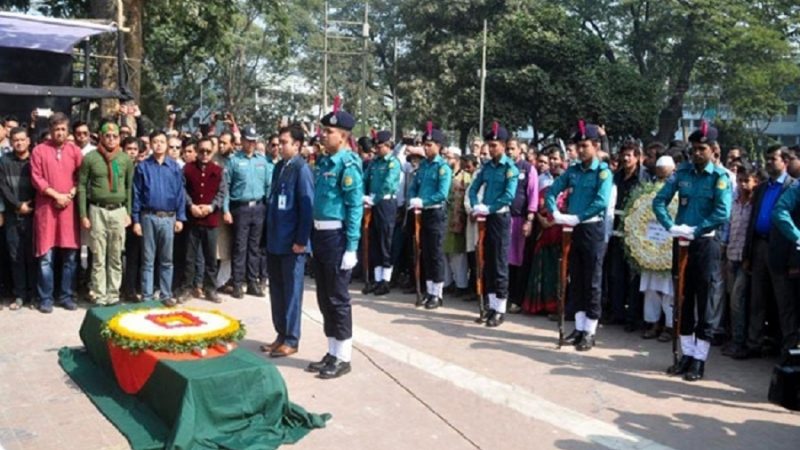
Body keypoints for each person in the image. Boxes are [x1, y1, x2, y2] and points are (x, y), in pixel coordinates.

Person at [653, 123, 732, 381]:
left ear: (713, 150)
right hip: (682, 242)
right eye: (694, 149)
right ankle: (685, 354)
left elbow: (722, 212)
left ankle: (699, 359)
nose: (696, 153)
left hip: (705, 243)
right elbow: (659, 200)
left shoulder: (719, 177)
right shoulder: (682, 172)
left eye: (702, 149)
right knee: (683, 299)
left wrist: (696, 230)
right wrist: (671, 226)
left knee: (705, 300)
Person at [305, 102, 363, 379]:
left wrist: (351, 246)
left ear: (342, 135)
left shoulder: (348, 163)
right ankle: (331, 350)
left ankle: (344, 356)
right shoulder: (324, 160)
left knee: (338, 298)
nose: (322, 135)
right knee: (324, 296)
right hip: (320, 234)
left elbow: (354, 207)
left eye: (328, 131)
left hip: (337, 235)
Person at [546, 122, 613, 351]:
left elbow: (601, 202)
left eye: (585, 145)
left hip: (591, 229)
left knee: (592, 280)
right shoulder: (573, 171)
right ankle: (579, 326)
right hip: (573, 228)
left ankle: (590, 331)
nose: (581, 150)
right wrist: (554, 211)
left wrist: (579, 217)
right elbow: (553, 190)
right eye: (578, 145)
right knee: (576, 279)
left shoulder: (603, 172)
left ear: (595, 146)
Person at [263, 124, 314, 357]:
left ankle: (292, 339)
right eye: (279, 142)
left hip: (293, 242)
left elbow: (306, 207)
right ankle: (280, 334)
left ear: (297, 145)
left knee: (292, 292)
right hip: (275, 239)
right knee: (277, 290)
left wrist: (301, 239)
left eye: (284, 142)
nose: (280, 146)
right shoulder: (280, 167)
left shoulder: (302, 169)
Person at [742, 145, 797, 357]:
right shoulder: (763, 187)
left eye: (773, 158)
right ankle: (753, 343)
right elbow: (752, 220)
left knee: (784, 304)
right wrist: (748, 253)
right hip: (759, 248)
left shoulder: (793, 187)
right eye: (767, 159)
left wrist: (793, 260)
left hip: (782, 252)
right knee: (757, 300)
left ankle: (788, 348)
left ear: (784, 161)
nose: (768, 163)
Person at [30, 113, 83, 313]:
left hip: (68, 210)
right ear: (50, 131)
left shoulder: (75, 151)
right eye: (56, 129)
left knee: (70, 256)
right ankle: (46, 298)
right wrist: (55, 195)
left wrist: (71, 193)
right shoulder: (39, 151)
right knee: (46, 256)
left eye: (63, 129)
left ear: (67, 130)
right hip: (47, 209)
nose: (59, 133)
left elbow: (82, 176)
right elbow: (37, 178)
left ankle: (67, 296)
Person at [78, 122, 134, 306]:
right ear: (100, 137)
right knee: (99, 255)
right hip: (97, 210)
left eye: (115, 136)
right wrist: (83, 214)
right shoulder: (90, 158)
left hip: (118, 211)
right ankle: (99, 294)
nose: (111, 139)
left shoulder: (125, 159)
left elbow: (128, 187)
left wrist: (129, 212)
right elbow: (82, 186)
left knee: (116, 254)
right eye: (107, 135)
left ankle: (113, 294)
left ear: (119, 138)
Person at [468, 123, 519, 326]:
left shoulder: (510, 169)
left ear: (504, 145)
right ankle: (490, 305)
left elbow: (509, 196)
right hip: (486, 216)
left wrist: (489, 208)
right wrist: (476, 205)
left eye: (495, 145)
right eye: (489, 145)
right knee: (487, 262)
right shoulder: (487, 168)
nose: (490, 149)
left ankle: (500, 308)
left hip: (499, 217)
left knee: (499, 263)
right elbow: (473, 188)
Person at [132, 130, 186, 306]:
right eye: (155, 141)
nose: (159, 145)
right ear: (151, 144)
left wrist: (180, 218)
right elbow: (137, 194)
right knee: (148, 259)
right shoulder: (143, 167)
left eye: (162, 142)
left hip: (168, 218)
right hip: (148, 217)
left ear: (167, 144)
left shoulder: (175, 167)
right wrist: (136, 220)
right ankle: (147, 296)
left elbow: (180, 194)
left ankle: (165, 294)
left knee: (167, 260)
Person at [223, 125, 273, 299]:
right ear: (242, 140)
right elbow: (226, 187)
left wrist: (268, 208)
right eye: (248, 140)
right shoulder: (234, 160)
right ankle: (237, 283)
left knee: (255, 247)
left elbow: (268, 186)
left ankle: (252, 282)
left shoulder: (262, 161)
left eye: (254, 141)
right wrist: (225, 209)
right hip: (240, 207)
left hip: (259, 207)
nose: (251, 144)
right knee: (239, 247)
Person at [407, 122, 453, 308]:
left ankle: (437, 293)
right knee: (424, 252)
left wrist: (423, 202)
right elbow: (413, 187)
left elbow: (442, 193)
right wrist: (413, 199)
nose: (426, 148)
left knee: (435, 253)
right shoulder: (424, 166)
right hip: (420, 213)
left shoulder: (443, 168)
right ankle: (428, 290)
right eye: (425, 145)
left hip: (435, 213)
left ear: (439, 146)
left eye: (429, 145)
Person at [180, 137, 226, 303]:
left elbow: (222, 193)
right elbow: (182, 190)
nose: (205, 154)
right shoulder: (188, 169)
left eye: (208, 151)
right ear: (197, 152)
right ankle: (187, 288)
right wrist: (191, 205)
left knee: (210, 258)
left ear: (212, 151)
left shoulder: (218, 170)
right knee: (190, 257)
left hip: (210, 220)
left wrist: (211, 207)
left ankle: (210, 289)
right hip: (193, 219)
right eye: (201, 151)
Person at [721, 163, 760, 357]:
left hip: (745, 259)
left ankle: (741, 342)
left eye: (746, 181)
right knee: (731, 300)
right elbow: (728, 227)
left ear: (756, 182)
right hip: (731, 256)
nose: (742, 184)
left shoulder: (755, 206)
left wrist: (748, 258)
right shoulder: (735, 202)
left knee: (738, 300)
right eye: (739, 181)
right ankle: (734, 337)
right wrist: (724, 248)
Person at [523, 145, 567, 315]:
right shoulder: (542, 180)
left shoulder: (569, 180)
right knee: (542, 269)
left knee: (557, 272)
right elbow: (535, 202)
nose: (553, 162)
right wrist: (542, 220)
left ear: (562, 160)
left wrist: (556, 220)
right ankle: (539, 306)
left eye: (556, 159)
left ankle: (556, 307)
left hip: (561, 233)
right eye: (551, 159)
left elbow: (568, 206)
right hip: (543, 231)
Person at [640, 155, 676, 342]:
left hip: (669, 246)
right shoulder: (648, 190)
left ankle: (670, 326)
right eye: (659, 177)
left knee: (668, 290)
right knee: (650, 288)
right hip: (650, 244)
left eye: (666, 177)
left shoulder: (676, 189)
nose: (662, 181)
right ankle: (653, 323)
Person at [607, 141, 642, 330]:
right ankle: (616, 312)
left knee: (633, 277)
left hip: (635, 234)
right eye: (624, 155)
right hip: (615, 231)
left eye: (630, 155)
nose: (626, 158)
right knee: (615, 274)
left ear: (637, 157)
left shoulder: (644, 179)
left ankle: (632, 317)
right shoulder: (616, 177)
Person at [0, 127, 36, 309]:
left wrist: (30, 206)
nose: (19, 143)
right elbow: (3, 187)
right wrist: (18, 205)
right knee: (15, 256)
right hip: (13, 215)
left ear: (28, 141)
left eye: (22, 139)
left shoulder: (35, 160)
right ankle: (20, 294)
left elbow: (40, 184)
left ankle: (33, 294)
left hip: (33, 215)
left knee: (33, 255)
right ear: (11, 141)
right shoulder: (4, 161)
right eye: (16, 140)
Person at [362, 130, 401, 295]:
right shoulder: (374, 163)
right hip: (372, 203)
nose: (376, 150)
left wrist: (374, 198)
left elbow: (388, 184)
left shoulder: (393, 163)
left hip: (385, 202)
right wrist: (363, 195)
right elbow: (364, 179)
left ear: (388, 146)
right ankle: (377, 279)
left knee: (386, 241)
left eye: (379, 146)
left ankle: (386, 279)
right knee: (374, 241)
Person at [506, 137, 538, 314]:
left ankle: (517, 299)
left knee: (519, 261)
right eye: (508, 149)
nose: (510, 152)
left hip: (520, 220)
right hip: (504, 219)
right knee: (504, 260)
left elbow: (532, 195)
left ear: (520, 151)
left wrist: (529, 219)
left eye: (512, 149)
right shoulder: (504, 167)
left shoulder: (528, 169)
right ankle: (504, 297)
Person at [443, 147, 471, 297]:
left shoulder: (465, 176)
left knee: (457, 254)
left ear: (457, 158)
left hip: (458, 218)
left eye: (449, 157)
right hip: (444, 217)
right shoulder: (445, 174)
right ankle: (447, 282)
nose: (447, 160)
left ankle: (461, 284)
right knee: (444, 252)